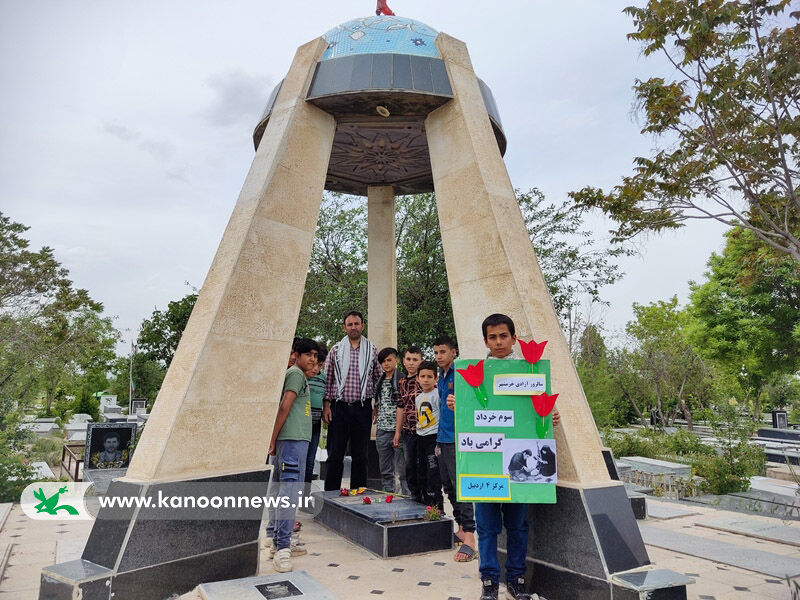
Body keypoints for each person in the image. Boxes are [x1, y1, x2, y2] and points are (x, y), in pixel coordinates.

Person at [447, 314, 561, 600]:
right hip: (484, 466)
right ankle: (489, 581)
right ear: (485, 340)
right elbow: (473, 417)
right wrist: (458, 406)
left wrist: (549, 418)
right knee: (486, 527)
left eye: (503, 336)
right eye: (492, 337)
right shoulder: (473, 374)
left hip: (519, 470)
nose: (498, 342)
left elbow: (535, 413)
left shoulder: (530, 373)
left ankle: (516, 579)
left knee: (518, 525)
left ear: (513, 338)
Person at [266, 338, 318, 573]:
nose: (313, 360)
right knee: (288, 492)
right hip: (292, 441)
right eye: (309, 355)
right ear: (297, 355)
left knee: (281, 490)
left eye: (315, 356)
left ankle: (276, 540)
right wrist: (273, 438)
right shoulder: (296, 373)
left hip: (295, 441)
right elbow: (284, 407)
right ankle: (282, 548)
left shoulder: (299, 376)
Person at [322, 311, 382, 491]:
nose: (353, 327)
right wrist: (326, 405)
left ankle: (358, 493)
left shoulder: (371, 350)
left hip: (362, 408)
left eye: (357, 324)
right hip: (338, 407)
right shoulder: (335, 350)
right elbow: (328, 378)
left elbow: (379, 379)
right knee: (335, 453)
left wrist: (376, 406)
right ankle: (331, 494)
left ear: (363, 325)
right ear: (344, 327)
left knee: (361, 455)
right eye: (350, 324)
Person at [433, 335, 477, 562]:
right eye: (436, 353)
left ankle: (470, 537)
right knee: (449, 486)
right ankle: (461, 527)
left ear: (454, 352)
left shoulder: (460, 375)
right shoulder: (441, 378)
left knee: (462, 487)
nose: (439, 356)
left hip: (459, 439)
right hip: (443, 438)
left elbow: (473, 403)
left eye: (443, 352)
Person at [373, 347, 406, 493]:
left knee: (403, 468)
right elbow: (378, 402)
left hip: (398, 429)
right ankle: (388, 494)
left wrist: (399, 431)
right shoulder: (379, 382)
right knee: (385, 468)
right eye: (383, 361)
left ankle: (407, 496)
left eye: (389, 360)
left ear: (396, 360)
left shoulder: (402, 380)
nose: (386, 364)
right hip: (382, 429)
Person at [394, 345, 423, 501]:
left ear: (421, 361)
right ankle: (415, 498)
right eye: (409, 359)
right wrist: (398, 432)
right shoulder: (402, 382)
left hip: (425, 431)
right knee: (409, 467)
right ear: (403, 361)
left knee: (423, 467)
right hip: (408, 431)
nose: (412, 363)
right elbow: (400, 407)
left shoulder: (425, 379)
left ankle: (429, 501)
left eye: (415, 360)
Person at [415, 360, 444, 510]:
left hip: (433, 437)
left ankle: (438, 507)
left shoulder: (438, 394)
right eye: (422, 376)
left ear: (436, 378)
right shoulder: (418, 397)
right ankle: (426, 505)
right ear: (418, 378)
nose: (425, 380)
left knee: (433, 473)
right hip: (420, 437)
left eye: (429, 376)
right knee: (422, 472)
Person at [305, 343, 328, 485]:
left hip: (316, 422)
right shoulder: (303, 376)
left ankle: (305, 497)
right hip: (302, 422)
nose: (316, 368)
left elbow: (326, 396)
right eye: (313, 364)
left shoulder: (323, 378)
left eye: (319, 365)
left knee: (310, 460)